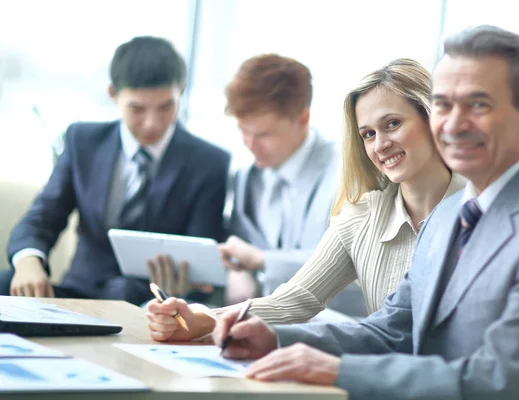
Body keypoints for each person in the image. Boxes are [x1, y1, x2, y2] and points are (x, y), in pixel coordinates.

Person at [211, 25, 519, 399]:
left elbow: (498, 381)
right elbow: (392, 331)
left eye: (478, 104)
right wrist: (277, 337)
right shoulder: (451, 215)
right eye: (443, 105)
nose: (453, 123)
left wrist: (337, 370)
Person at [146, 58, 465, 341]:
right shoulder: (360, 218)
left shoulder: (483, 210)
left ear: (432, 117)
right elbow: (294, 300)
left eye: (392, 124)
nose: (380, 144)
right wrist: (201, 319)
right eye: (368, 134)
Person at [1, 36, 230, 305]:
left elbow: (203, 254)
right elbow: (43, 216)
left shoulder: (210, 162)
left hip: (150, 301)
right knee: (7, 282)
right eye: (137, 108)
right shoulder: (83, 142)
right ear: (113, 94)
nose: (151, 123)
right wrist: (28, 260)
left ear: (182, 90)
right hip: (81, 293)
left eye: (166, 106)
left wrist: (184, 285)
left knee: (130, 294)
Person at [149, 53, 367, 316]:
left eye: (263, 134)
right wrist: (235, 271)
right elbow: (240, 255)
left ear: (303, 118)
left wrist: (262, 262)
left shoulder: (351, 173)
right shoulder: (245, 178)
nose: (250, 144)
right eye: (243, 130)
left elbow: (357, 270)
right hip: (256, 329)